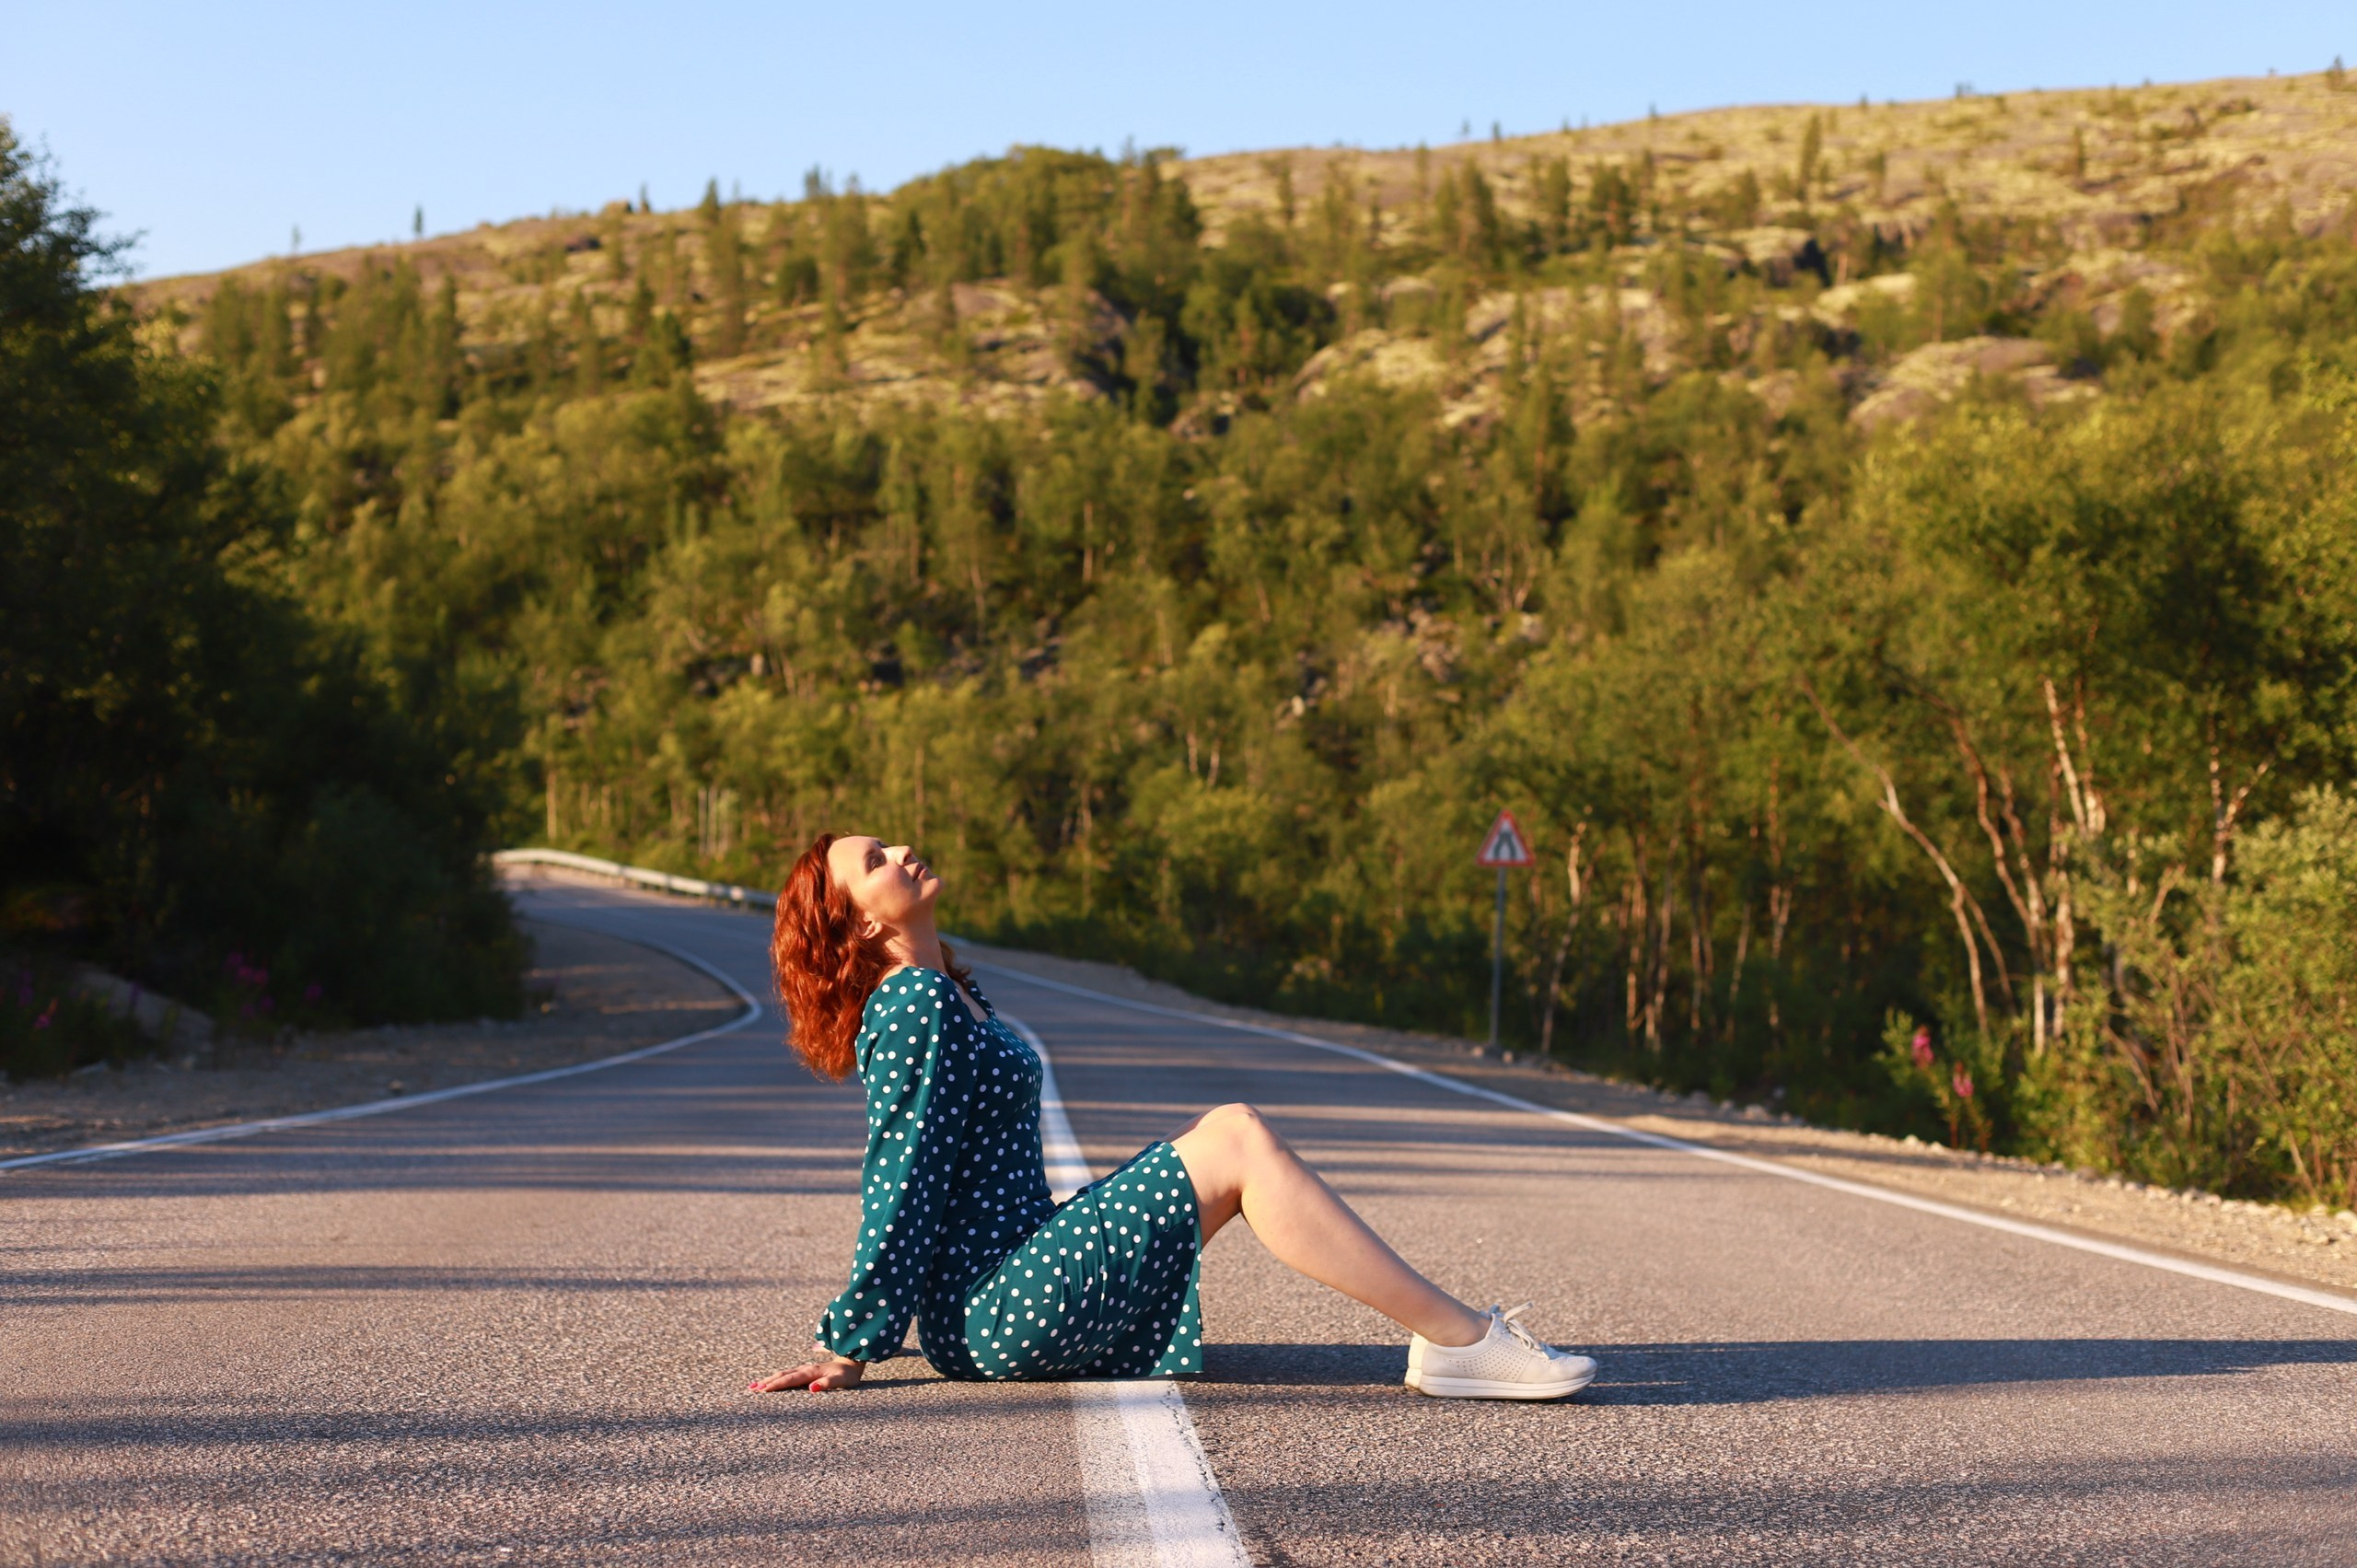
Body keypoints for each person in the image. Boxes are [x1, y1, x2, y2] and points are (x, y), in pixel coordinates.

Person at [748, 833, 1597, 1401]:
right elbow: (902, 1173)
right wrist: (849, 1342)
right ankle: (1459, 1341)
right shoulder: (910, 1005)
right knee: (1235, 1137)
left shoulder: (955, 992)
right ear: (857, 919)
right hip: (992, 1307)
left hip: (1013, 1275)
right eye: (876, 859)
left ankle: (1451, 1339)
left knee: (1227, 1139)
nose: (903, 848)